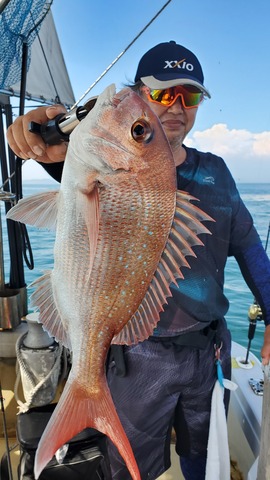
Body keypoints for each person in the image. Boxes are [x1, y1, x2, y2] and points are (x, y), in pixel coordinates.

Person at [7, 41, 270, 480]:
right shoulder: (98, 161)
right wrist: (43, 136)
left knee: (203, 461)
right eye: (164, 94)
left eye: (190, 97)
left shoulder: (217, 172)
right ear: (140, 94)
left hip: (209, 353)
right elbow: (83, 180)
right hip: (135, 359)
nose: (178, 107)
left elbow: (250, 250)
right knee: (133, 469)